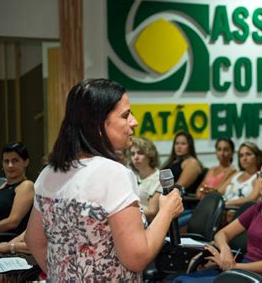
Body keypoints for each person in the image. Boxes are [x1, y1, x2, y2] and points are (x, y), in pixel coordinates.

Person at [25, 79, 183, 281]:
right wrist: (167, 211)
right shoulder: (112, 173)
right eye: (125, 115)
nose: (134, 121)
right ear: (98, 124)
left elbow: (34, 239)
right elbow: (136, 257)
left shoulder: (49, 172)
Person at [173, 158, 262, 282]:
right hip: (243, 268)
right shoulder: (258, 208)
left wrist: (233, 266)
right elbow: (222, 234)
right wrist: (225, 251)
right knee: (181, 279)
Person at [0, 142, 34, 250]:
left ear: (26, 162)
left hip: (0, 239)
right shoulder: (2, 185)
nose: (10, 165)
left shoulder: (26, 186)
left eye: (15, 161)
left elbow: (13, 222)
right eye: (6, 161)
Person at [218, 142, 262, 207]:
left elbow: (252, 198)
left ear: (257, 157)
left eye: (248, 154)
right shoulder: (236, 174)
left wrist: (226, 203)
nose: (244, 158)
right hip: (223, 210)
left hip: (240, 213)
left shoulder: (259, 176)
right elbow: (218, 192)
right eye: (241, 155)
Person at [129, 137, 162, 221]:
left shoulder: (158, 178)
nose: (135, 157)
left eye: (140, 153)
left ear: (150, 155)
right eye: (132, 154)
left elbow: (152, 211)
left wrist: (127, 212)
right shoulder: (132, 176)